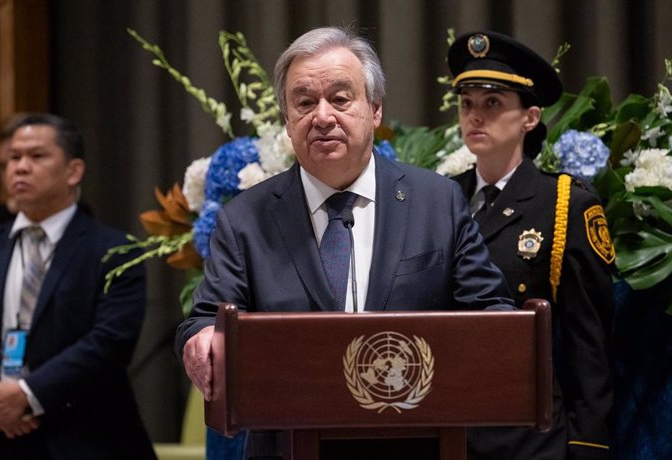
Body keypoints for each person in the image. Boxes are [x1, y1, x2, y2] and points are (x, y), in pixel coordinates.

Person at [176, 26, 515, 460]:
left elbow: (490, 311)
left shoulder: (438, 202)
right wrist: (203, 336)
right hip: (289, 446)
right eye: (304, 102)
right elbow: (206, 317)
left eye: (340, 99)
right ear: (286, 119)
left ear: (374, 110)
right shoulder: (244, 218)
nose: (322, 116)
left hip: (416, 444)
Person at [447, 31, 615, 459]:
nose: (475, 117)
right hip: (447, 428)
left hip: (526, 437)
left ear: (530, 117)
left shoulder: (563, 205)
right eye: (467, 104)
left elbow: (588, 343)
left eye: (493, 103)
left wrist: (588, 444)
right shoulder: (442, 198)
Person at [0, 113, 156, 459]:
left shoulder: (115, 251)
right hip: (0, 432)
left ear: (73, 171)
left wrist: (26, 394)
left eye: (36, 156)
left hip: (86, 437)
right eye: (14, 158)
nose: (19, 167)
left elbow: (109, 343)